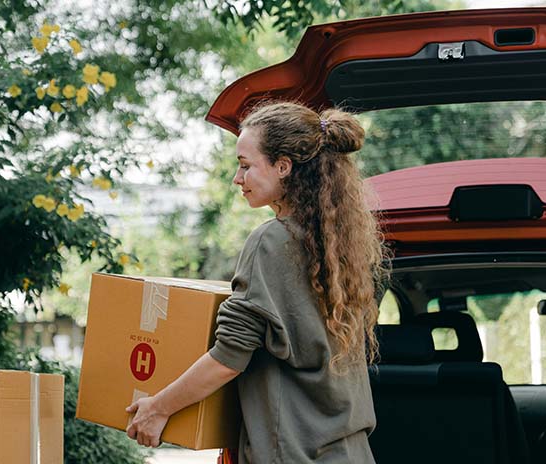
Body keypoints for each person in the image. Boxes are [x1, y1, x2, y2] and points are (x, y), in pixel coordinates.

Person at [126, 101, 386, 463]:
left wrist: (158, 408)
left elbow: (229, 357)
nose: (237, 179)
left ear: (283, 167)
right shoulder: (341, 248)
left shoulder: (272, 241)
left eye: (245, 166)